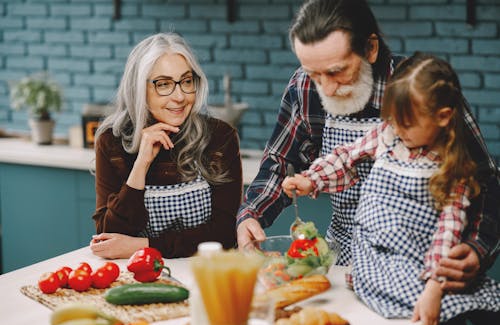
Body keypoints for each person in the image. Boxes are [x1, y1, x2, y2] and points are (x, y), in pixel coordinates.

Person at [237, 0, 499, 292]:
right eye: (313, 73)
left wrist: (477, 247)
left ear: (370, 48)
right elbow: (280, 162)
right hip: (347, 264)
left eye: (337, 72)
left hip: (426, 267)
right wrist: (251, 213)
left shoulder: (423, 90)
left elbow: (484, 181)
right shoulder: (304, 86)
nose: (326, 88)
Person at [282, 53, 500, 325]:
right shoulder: (388, 134)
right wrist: (311, 180)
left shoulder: (451, 169)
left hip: (415, 267)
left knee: (434, 311)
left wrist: (434, 288)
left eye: (406, 122)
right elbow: (346, 157)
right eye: (392, 118)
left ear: (443, 117)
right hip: (370, 260)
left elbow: (446, 237)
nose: (397, 128)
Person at [89, 33, 243, 259]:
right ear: (139, 89)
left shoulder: (220, 137)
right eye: (163, 84)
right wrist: (141, 163)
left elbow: (226, 233)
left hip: (206, 272)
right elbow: (108, 237)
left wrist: (142, 246)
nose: (180, 96)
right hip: (135, 277)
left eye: (187, 81)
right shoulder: (111, 142)